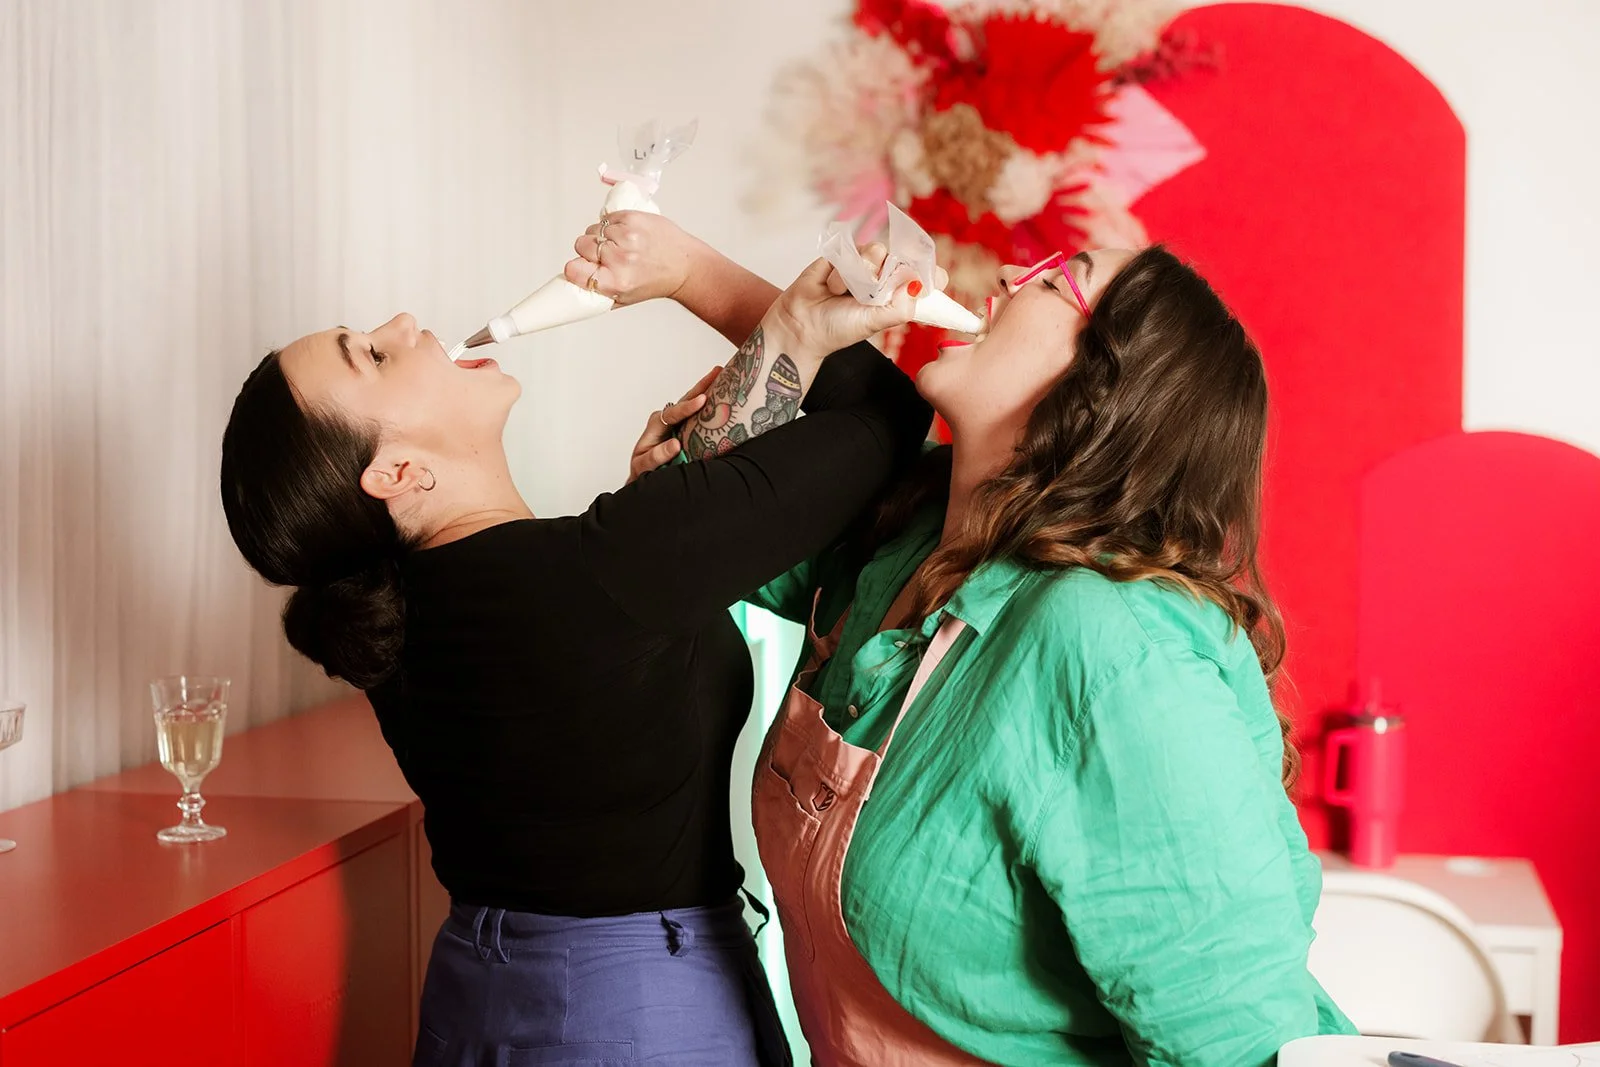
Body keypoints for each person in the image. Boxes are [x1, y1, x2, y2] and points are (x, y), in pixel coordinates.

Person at [607, 230, 1357, 1066]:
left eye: (1059, 281)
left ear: (1106, 388)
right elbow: (679, 535)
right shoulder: (905, 537)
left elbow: (1237, 1041)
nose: (1008, 272)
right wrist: (732, 294)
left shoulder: (1113, 649)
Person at [217, 223, 934, 1066]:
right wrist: (692, 273)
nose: (405, 324)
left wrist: (660, 500)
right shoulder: (602, 570)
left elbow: (582, 677)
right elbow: (889, 415)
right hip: (632, 1022)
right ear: (396, 473)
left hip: (475, 1006)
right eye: (372, 355)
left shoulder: (414, 605)